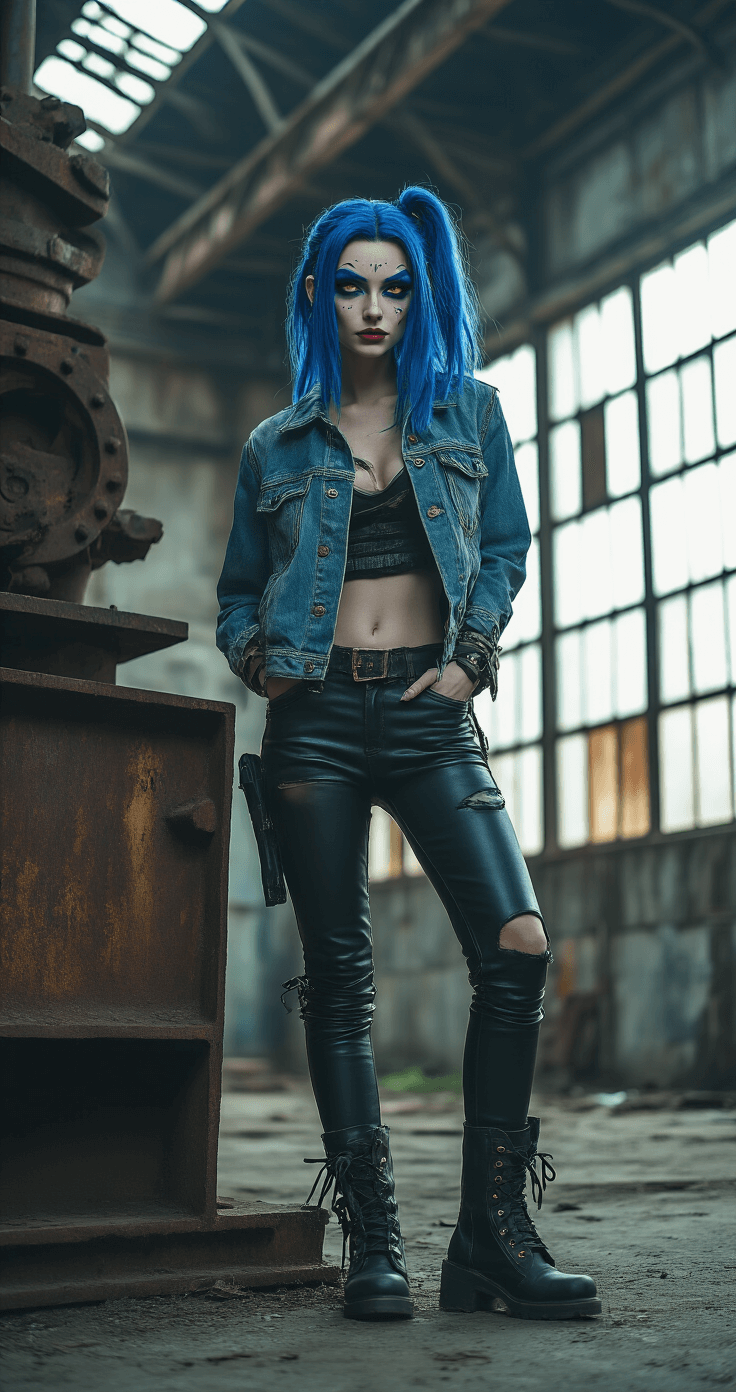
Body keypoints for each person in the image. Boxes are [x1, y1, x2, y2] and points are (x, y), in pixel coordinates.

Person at [217, 188, 600, 1324]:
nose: (373, 307)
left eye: (393, 286)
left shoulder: (468, 414)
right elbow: (238, 591)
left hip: (432, 711)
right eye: (350, 286)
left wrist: (471, 660)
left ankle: (489, 1235)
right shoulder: (273, 445)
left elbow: (504, 544)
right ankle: (375, 1243)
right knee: (338, 981)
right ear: (317, 296)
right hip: (317, 721)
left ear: (415, 296)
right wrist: (261, 662)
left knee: (517, 946)